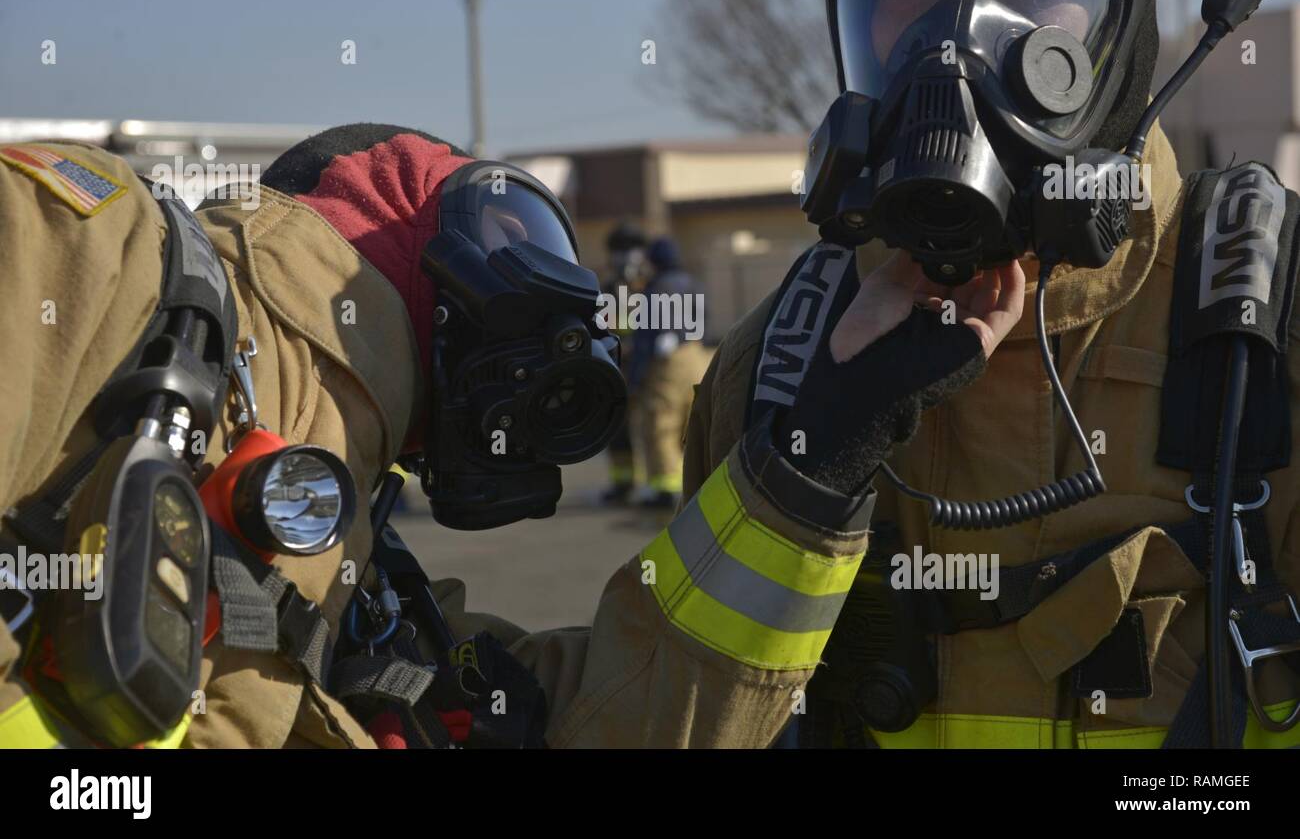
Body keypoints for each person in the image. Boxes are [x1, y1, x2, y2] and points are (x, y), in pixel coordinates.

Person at [0, 124, 1016, 749]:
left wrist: (813, 462)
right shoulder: (101, 256)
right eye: (519, 234)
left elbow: (605, 725)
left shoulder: (371, 606)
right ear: (396, 211)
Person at [682, 0, 1300, 748]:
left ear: (1122, 35)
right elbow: (675, 705)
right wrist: (805, 472)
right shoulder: (779, 367)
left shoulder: (1268, 331)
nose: (960, 29)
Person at [625, 238, 712, 511]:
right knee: (691, 426)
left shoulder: (656, 289)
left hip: (667, 366)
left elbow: (644, 339)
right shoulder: (692, 282)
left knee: (660, 423)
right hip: (697, 357)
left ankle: (666, 491)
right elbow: (704, 319)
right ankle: (693, 485)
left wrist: (634, 379)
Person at [599, 222, 649, 504]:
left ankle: (666, 483)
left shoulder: (650, 284)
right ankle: (623, 483)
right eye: (620, 251)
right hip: (617, 364)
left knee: (656, 426)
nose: (625, 256)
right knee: (618, 427)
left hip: (647, 365)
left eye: (630, 250)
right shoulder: (606, 287)